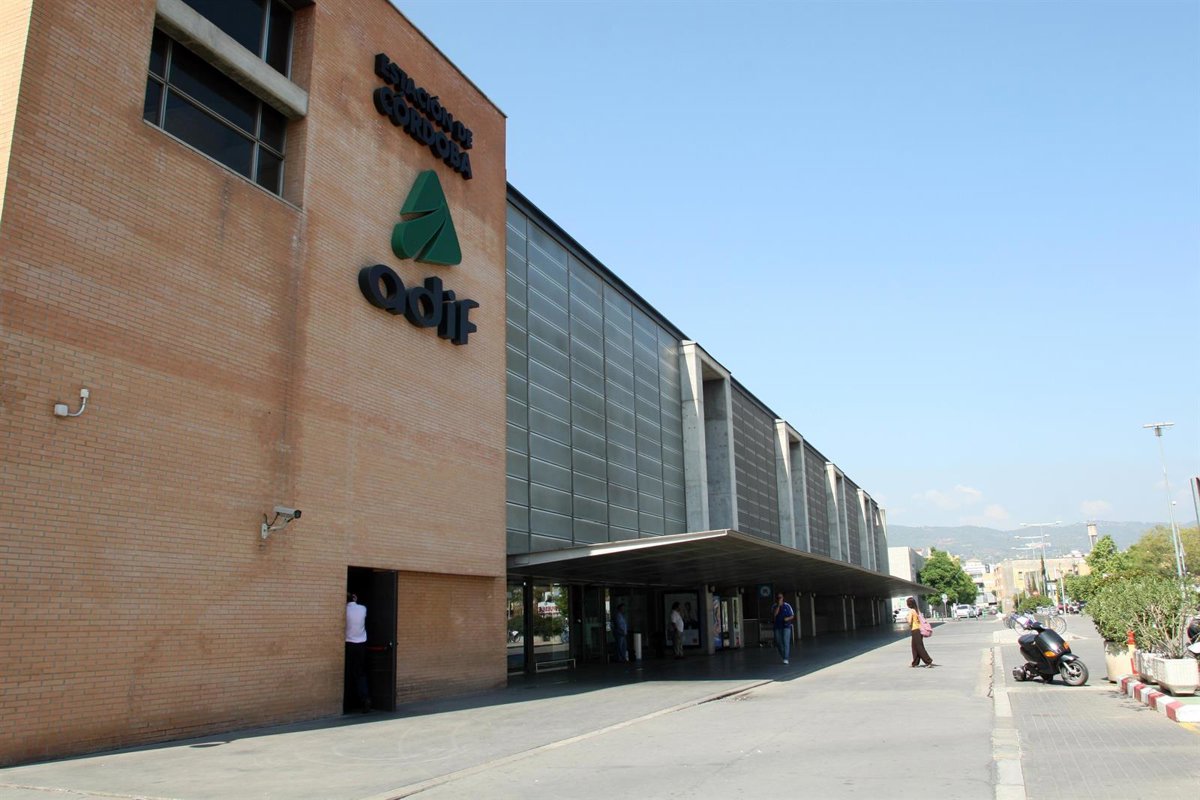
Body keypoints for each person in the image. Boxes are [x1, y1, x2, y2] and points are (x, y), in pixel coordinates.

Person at [345, 592, 371, 712]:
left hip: (348, 643)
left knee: (347, 672)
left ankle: (347, 701)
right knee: (360, 673)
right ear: (354, 598)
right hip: (361, 644)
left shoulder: (345, 610)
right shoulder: (363, 608)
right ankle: (364, 698)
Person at [907, 596, 935, 668]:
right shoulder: (917, 610)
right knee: (914, 647)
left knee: (919, 647)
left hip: (915, 630)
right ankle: (915, 663)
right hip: (919, 630)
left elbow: (909, 621)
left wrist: (906, 618)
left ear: (909, 604)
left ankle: (928, 661)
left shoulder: (911, 611)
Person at [771, 592, 795, 664]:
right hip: (777, 627)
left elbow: (792, 615)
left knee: (785, 641)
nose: (779, 599)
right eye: (778, 597)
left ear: (783, 598)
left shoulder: (787, 606)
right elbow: (774, 615)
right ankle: (784, 656)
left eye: (780, 597)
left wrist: (787, 619)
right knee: (778, 642)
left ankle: (786, 658)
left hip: (786, 626)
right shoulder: (774, 606)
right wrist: (778, 606)